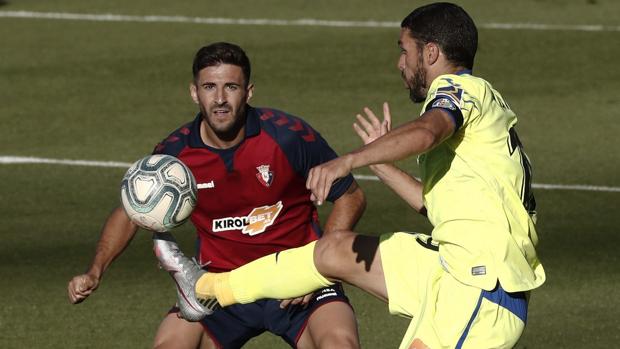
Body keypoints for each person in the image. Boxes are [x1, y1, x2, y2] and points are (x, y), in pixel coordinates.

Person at [174, 3, 547, 349]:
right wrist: (381, 164)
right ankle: (207, 287)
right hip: (453, 261)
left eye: (405, 50)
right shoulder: (482, 103)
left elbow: (427, 132)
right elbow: (434, 206)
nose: (400, 63)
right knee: (333, 250)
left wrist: (349, 160)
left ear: (430, 53)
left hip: (483, 285)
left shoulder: (458, 91)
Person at [67, 42, 367, 349]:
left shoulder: (288, 137)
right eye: (210, 87)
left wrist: (317, 267)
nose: (220, 99)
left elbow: (351, 196)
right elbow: (131, 211)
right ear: (194, 92)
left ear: (248, 92)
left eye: (231, 87)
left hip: (295, 278)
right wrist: (96, 269)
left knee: (339, 343)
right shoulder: (174, 156)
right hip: (220, 285)